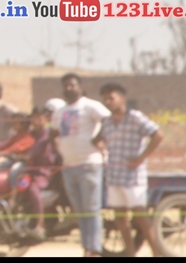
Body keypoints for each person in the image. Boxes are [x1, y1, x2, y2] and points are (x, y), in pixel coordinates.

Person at [97, 83, 168, 256]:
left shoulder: (136, 118)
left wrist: (141, 158)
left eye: (111, 98)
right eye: (105, 99)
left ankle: (157, 253)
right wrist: (100, 146)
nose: (108, 102)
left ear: (122, 99)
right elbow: (98, 139)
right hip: (114, 177)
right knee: (121, 220)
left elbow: (158, 134)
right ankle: (130, 253)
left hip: (133, 177)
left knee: (141, 217)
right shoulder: (107, 122)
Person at [50, 73, 109, 257]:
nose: (69, 88)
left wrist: (98, 139)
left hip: (89, 164)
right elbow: (53, 133)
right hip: (69, 167)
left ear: (80, 87)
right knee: (80, 211)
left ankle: (95, 250)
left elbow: (109, 120)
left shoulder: (90, 106)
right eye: (66, 85)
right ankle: (87, 248)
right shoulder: (60, 111)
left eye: (72, 85)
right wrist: (59, 151)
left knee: (91, 209)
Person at [16, 107, 59, 241]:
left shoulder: (46, 134)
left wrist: (23, 156)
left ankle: (40, 225)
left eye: (39, 118)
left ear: (45, 120)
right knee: (20, 185)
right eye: (34, 118)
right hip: (31, 172)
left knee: (33, 188)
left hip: (44, 173)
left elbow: (35, 150)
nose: (36, 121)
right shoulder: (31, 134)